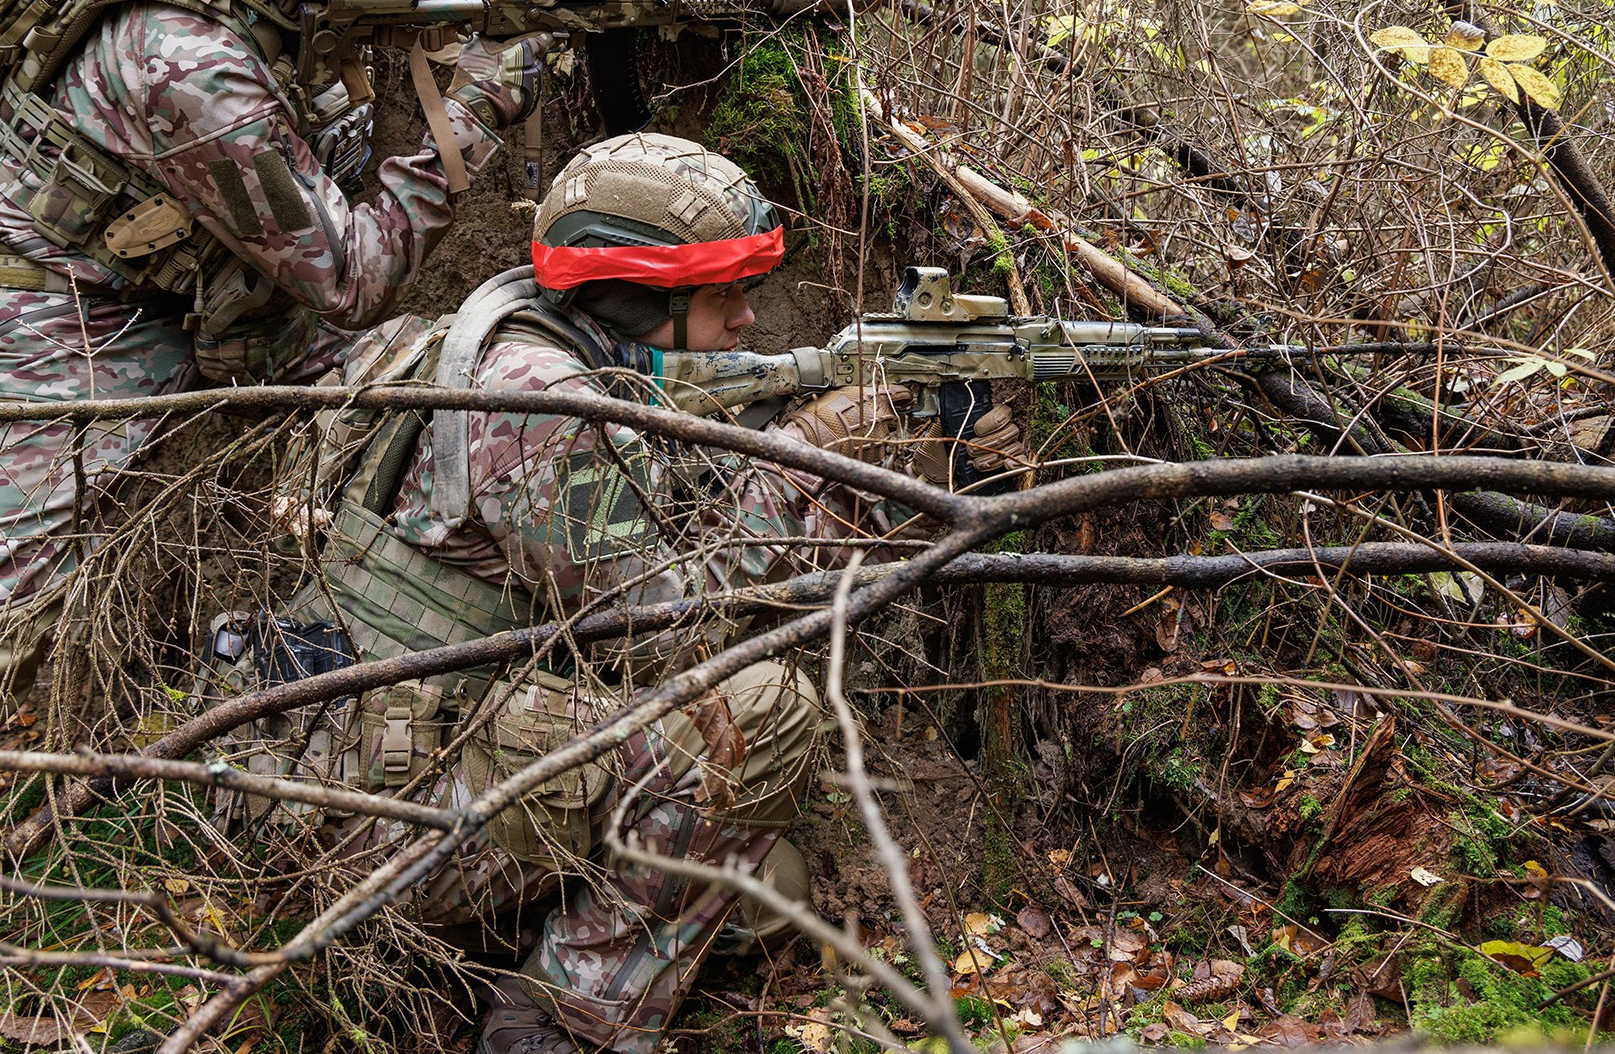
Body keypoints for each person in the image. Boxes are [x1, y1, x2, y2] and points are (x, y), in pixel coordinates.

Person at [0, 0, 777, 1047]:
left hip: (208, 287)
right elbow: (350, 272)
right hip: (61, 310)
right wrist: (474, 104)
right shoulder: (179, 60)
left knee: (437, 381)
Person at [238, 132, 1025, 1054]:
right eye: (724, 294)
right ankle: (558, 1022)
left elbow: (648, 531)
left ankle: (493, 949)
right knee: (764, 714)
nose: (746, 320)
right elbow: (664, 623)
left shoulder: (501, 338)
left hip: (357, 767)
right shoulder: (537, 398)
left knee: (770, 889)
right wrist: (818, 460)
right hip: (374, 820)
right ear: (641, 294)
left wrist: (887, 460)